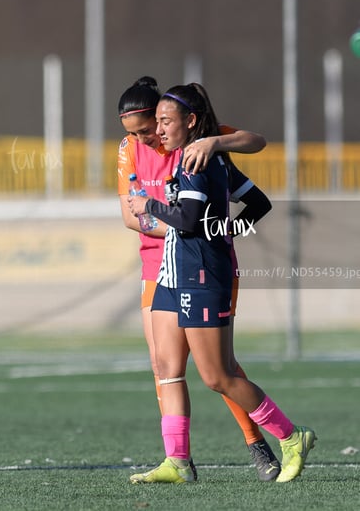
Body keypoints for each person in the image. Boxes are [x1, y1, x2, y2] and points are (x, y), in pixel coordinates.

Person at [127, 83, 316, 484]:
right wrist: (227, 226)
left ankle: (291, 436)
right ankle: (177, 460)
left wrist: (151, 206)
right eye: (154, 123)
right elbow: (256, 203)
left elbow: (190, 220)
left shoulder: (198, 159)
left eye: (164, 122)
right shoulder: (190, 155)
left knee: (218, 376)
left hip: (201, 276)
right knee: (167, 367)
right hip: (172, 274)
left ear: (190, 122)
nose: (157, 130)